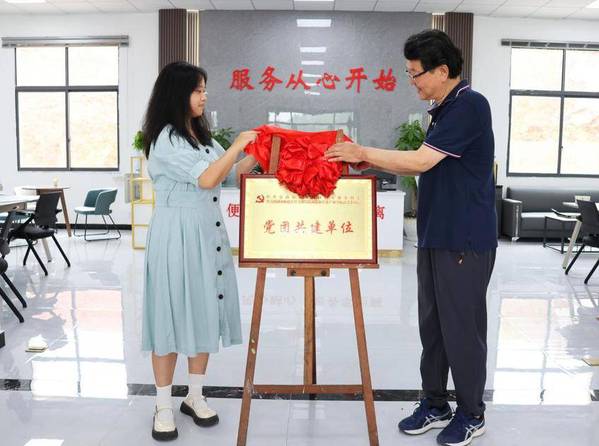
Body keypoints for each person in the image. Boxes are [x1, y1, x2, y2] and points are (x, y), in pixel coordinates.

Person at [325, 29, 496, 446]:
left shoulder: (470, 105)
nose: (412, 81)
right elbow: (423, 163)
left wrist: (363, 152)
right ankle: (435, 403)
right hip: (436, 234)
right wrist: (368, 163)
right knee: (433, 327)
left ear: (442, 71)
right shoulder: (443, 110)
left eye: (415, 73)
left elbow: (420, 161)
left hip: (463, 239)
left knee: (462, 329)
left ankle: (472, 413)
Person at [141, 61, 258, 441]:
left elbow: (229, 172)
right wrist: (238, 144)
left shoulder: (200, 136)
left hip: (206, 232)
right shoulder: (165, 139)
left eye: (205, 89)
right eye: (198, 90)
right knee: (170, 315)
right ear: (177, 93)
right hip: (176, 235)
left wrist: (259, 151)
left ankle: (194, 395)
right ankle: (163, 405)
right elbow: (208, 177)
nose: (204, 96)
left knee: (203, 311)